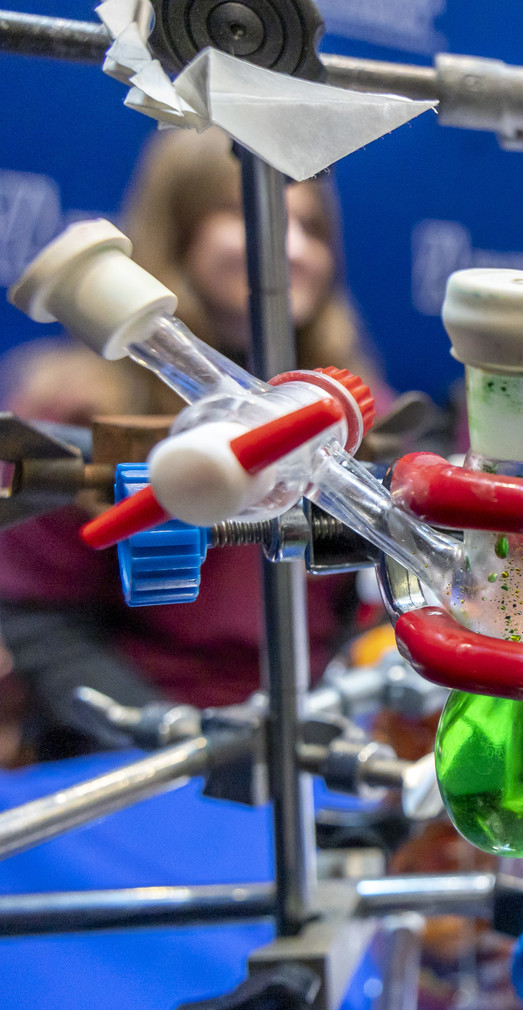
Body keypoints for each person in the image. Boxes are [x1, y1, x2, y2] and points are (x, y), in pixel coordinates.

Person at [0, 127, 383, 756]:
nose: (291, 248)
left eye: (311, 227)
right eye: (246, 214)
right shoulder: (78, 413)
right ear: (178, 231)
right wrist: (172, 737)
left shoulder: (357, 417)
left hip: (315, 730)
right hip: (140, 750)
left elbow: (364, 603)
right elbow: (40, 618)